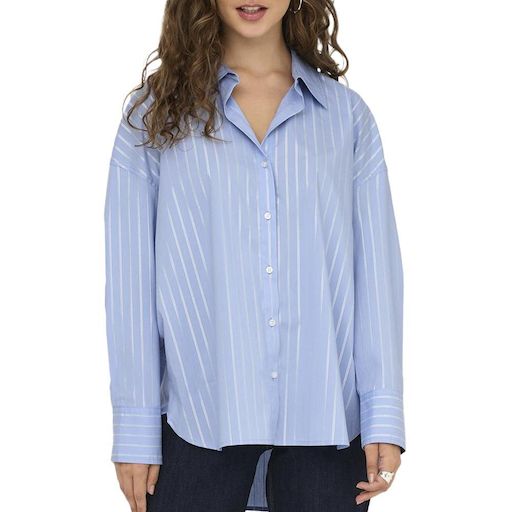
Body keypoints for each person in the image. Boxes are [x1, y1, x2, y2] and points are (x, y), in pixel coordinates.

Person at [103, 1, 406, 511]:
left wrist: (383, 414)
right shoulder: (154, 115)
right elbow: (131, 280)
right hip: (200, 416)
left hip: (326, 422)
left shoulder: (346, 117)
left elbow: (376, 276)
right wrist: (135, 425)